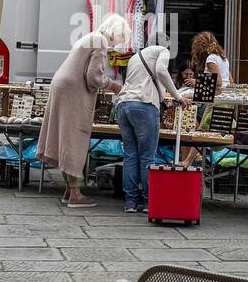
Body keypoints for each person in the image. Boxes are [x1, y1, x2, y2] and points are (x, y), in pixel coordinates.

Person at [37, 13, 128, 209]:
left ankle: (70, 191)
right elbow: (94, 77)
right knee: (74, 138)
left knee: (65, 136)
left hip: (62, 86)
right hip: (73, 91)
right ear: (117, 33)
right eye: (121, 38)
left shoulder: (91, 37)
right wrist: (114, 86)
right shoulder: (101, 41)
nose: (119, 44)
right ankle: (76, 194)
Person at [115, 44, 189, 213]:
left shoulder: (136, 57)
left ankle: (131, 202)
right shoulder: (163, 51)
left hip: (124, 105)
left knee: (130, 155)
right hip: (144, 105)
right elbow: (161, 71)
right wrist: (178, 96)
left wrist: (164, 98)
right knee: (147, 156)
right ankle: (150, 201)